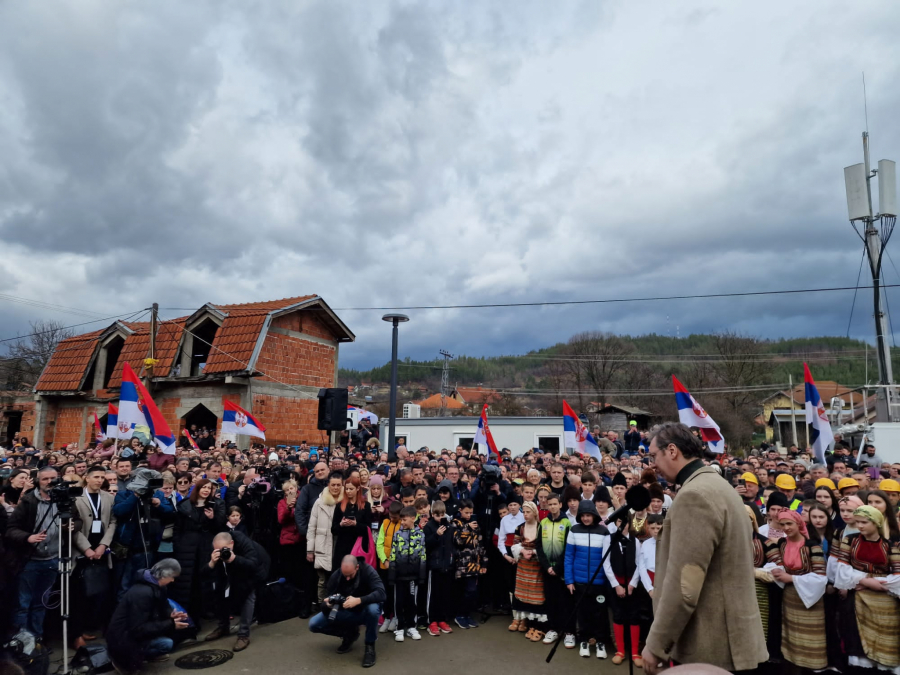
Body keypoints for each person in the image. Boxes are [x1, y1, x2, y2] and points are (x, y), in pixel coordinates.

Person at [641, 422, 767, 674]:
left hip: (712, 644)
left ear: (673, 451)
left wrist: (656, 645)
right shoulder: (719, 486)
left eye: (654, 455)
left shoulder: (694, 496)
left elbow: (684, 586)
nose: (652, 465)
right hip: (732, 639)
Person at [5, 466, 73, 641]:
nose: (50, 482)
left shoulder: (63, 500)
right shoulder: (28, 502)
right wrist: (28, 537)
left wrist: (71, 526)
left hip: (52, 560)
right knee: (23, 605)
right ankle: (20, 644)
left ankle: (37, 641)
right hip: (30, 561)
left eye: (53, 478)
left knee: (41, 604)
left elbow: (76, 520)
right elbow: (11, 529)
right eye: (45, 479)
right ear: (38, 481)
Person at [834, 505, 900, 673]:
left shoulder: (889, 545)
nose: (860, 526)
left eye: (864, 522)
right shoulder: (850, 541)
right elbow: (841, 569)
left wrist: (875, 583)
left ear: (876, 523)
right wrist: (865, 581)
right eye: (858, 522)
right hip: (858, 597)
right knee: (856, 639)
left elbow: (898, 575)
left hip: (884, 601)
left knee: (884, 637)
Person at [766, 510, 828, 672]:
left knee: (811, 636)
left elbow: (821, 576)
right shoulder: (782, 544)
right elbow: (776, 563)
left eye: (789, 524)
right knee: (791, 634)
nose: (786, 527)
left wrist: (792, 578)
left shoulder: (812, 546)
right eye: (782, 524)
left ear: (799, 524)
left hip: (810, 598)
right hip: (789, 597)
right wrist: (777, 571)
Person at [105, 559, 189, 675]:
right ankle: (122, 660)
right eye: (172, 577)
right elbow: (138, 629)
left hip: (133, 632)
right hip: (122, 638)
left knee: (167, 643)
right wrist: (171, 624)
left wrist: (171, 614)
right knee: (165, 643)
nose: (173, 580)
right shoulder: (143, 593)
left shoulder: (159, 586)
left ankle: (140, 656)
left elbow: (164, 606)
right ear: (165, 576)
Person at [309, 555, 386, 668]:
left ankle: (370, 646)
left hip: (364, 610)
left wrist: (359, 600)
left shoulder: (368, 570)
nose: (348, 578)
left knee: (373, 609)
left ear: (357, 567)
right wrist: (328, 604)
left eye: (350, 575)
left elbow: (381, 593)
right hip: (345, 612)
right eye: (345, 575)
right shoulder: (337, 575)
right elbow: (325, 602)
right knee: (313, 624)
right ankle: (349, 634)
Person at [202, 531, 270, 652]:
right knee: (220, 593)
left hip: (256, 569)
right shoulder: (213, 548)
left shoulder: (244, 543)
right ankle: (223, 627)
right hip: (230, 570)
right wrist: (212, 563)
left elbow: (253, 564)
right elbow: (202, 573)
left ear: (232, 543)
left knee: (247, 596)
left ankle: (243, 636)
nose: (222, 552)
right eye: (218, 550)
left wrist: (234, 558)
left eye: (225, 549)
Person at [72, 464, 117, 646]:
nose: (99, 480)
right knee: (80, 594)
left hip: (101, 550)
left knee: (100, 591)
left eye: (102, 477)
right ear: (87, 478)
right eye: (96, 477)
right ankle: (78, 631)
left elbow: (113, 522)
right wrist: (87, 548)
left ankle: (93, 626)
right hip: (81, 551)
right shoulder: (76, 497)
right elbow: (73, 527)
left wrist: (103, 545)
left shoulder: (108, 498)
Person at [170, 478, 226, 621]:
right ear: (197, 489)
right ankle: (187, 612)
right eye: (204, 487)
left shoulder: (216, 504)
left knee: (205, 579)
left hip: (206, 546)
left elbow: (220, 528)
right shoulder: (185, 505)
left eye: (209, 488)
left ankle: (205, 610)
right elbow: (177, 529)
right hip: (187, 548)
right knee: (187, 581)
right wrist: (178, 545)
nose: (207, 490)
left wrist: (212, 518)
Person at [564, 499, 611, 659]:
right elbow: (569, 556)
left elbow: (607, 558)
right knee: (582, 614)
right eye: (582, 515)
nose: (585, 518)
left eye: (588, 515)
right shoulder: (574, 530)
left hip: (599, 582)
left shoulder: (604, 531)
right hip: (580, 582)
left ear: (594, 515)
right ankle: (583, 640)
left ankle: (600, 642)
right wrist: (569, 580)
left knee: (600, 614)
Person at [536, 491, 574, 648]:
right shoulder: (543, 523)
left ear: (560, 505)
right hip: (547, 570)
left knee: (565, 601)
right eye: (549, 504)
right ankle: (553, 629)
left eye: (554, 504)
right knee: (551, 600)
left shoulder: (567, 523)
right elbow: (538, 546)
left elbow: (567, 548)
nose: (552, 506)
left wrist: (557, 567)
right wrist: (547, 566)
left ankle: (569, 632)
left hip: (562, 569)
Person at [509, 501, 549, 642]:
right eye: (524, 512)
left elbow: (545, 546)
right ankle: (524, 621)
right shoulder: (520, 528)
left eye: (528, 512)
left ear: (534, 512)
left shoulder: (541, 527)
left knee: (536, 593)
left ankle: (537, 625)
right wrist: (521, 551)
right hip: (523, 565)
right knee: (522, 592)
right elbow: (514, 545)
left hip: (536, 565)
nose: (525, 515)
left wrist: (533, 552)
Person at [388, 506, 427, 642]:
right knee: (399, 602)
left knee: (412, 602)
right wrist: (392, 575)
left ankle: (411, 626)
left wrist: (421, 576)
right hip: (399, 576)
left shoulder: (420, 534)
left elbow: (423, 555)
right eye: (401, 520)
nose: (402, 522)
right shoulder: (397, 534)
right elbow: (393, 554)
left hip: (413, 576)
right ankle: (399, 628)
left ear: (413, 518)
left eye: (404, 520)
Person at [307, 471, 343, 602]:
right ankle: (322, 606)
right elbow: (312, 526)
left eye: (338, 485)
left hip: (339, 544)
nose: (335, 487)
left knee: (339, 579)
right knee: (322, 580)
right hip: (322, 545)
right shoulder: (319, 502)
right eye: (333, 485)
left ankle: (336, 607)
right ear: (328, 485)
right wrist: (310, 550)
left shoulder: (345, 501)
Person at [451, 498, 487, 629]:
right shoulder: (455, 523)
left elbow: (480, 544)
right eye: (466, 512)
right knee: (464, 591)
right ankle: (460, 615)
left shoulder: (475, 524)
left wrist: (484, 563)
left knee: (472, 591)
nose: (469, 515)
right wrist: (467, 528)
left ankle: (466, 615)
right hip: (461, 564)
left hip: (475, 563)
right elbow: (458, 541)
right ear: (460, 511)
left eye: (471, 512)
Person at [422, 500, 455, 636]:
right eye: (437, 515)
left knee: (444, 594)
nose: (439, 517)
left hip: (446, 565)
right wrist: (437, 535)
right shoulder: (429, 526)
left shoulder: (449, 527)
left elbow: (451, 544)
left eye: (442, 514)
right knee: (432, 595)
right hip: (433, 566)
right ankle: (432, 621)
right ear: (432, 514)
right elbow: (426, 544)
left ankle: (442, 619)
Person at [376, 500, 403, 633]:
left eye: (395, 517)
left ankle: (395, 617)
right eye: (390, 516)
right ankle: (386, 617)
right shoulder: (385, 523)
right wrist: (384, 559)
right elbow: (379, 543)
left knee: (396, 593)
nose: (392, 519)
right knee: (386, 592)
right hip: (385, 565)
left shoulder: (403, 525)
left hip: (398, 566)